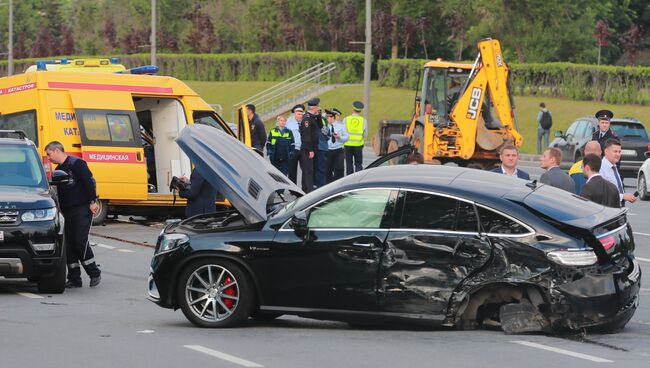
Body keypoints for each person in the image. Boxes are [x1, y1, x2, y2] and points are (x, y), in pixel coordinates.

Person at [44, 141, 101, 288]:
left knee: (79, 241)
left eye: (49, 154)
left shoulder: (77, 164)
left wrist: (92, 201)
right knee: (68, 244)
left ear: (56, 150)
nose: (49, 158)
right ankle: (75, 278)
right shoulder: (58, 170)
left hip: (82, 208)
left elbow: (88, 182)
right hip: (66, 211)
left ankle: (94, 273)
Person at [599, 139, 636, 207]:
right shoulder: (601, 168)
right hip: (608, 210)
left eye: (619, 151)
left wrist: (627, 197)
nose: (618, 154)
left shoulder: (614, 166)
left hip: (618, 209)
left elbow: (616, 191)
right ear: (606, 151)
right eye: (615, 151)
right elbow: (602, 193)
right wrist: (623, 197)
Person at [299, 98, 321, 192]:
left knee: (311, 169)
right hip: (307, 148)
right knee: (308, 170)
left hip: (313, 147)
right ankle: (308, 190)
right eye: (317, 107)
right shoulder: (307, 118)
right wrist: (310, 150)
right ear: (314, 107)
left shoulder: (313, 117)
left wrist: (318, 116)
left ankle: (305, 189)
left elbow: (320, 126)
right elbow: (306, 136)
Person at [325, 108, 348, 183]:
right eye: (326, 117)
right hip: (328, 150)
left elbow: (347, 137)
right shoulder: (324, 126)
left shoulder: (341, 126)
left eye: (328, 117)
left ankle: (339, 185)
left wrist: (339, 137)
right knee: (327, 170)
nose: (327, 119)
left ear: (333, 118)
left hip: (338, 150)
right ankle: (328, 186)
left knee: (339, 169)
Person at [344, 101, 367, 175]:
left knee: (349, 164)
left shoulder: (346, 119)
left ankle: (349, 179)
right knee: (358, 164)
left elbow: (343, 132)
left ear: (352, 109)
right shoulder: (363, 120)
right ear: (360, 110)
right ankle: (358, 179)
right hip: (358, 145)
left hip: (347, 145)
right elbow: (365, 134)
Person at [286, 104, 304, 184]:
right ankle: (293, 189)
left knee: (306, 169)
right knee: (292, 170)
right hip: (294, 149)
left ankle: (305, 188)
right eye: (298, 113)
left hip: (304, 149)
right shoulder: (288, 124)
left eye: (301, 113)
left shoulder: (305, 122)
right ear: (294, 114)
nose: (300, 116)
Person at [314, 106, 330, 188]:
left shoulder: (323, 120)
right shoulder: (310, 119)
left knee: (320, 168)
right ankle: (316, 185)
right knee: (315, 168)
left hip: (321, 147)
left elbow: (327, 134)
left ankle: (321, 186)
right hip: (316, 147)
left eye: (319, 111)